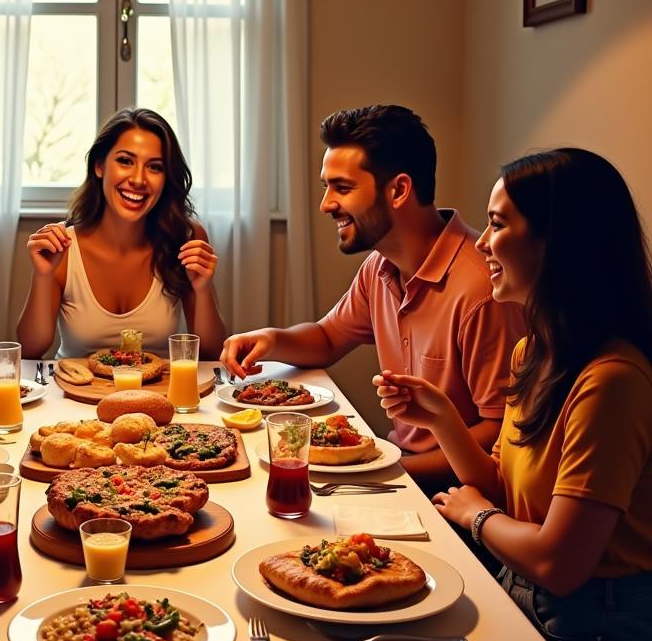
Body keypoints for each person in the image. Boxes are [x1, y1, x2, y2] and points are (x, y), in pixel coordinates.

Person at [374, 148, 652, 641]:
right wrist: (444, 419)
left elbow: (560, 560)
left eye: (498, 225)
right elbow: (504, 484)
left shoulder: (612, 381)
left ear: (557, 242)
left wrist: (474, 516)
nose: (482, 244)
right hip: (524, 598)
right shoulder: (538, 354)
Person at [220, 104, 524, 492]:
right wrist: (272, 339)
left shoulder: (483, 290)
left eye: (342, 188)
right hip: (401, 471)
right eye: (326, 187)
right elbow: (328, 338)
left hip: (452, 495)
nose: (326, 204)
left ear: (398, 190)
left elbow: (499, 435)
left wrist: (379, 469)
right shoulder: (380, 266)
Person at [16, 108, 226, 360]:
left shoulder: (186, 238)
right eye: (125, 161)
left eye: (155, 167)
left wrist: (202, 290)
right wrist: (43, 275)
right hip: (75, 395)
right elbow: (31, 350)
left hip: (159, 393)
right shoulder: (63, 245)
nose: (138, 179)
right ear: (99, 166)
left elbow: (212, 353)